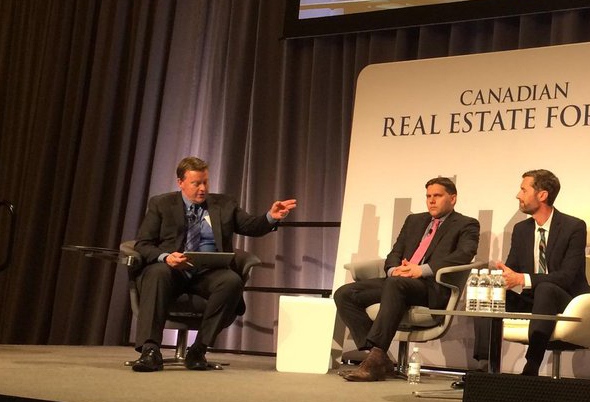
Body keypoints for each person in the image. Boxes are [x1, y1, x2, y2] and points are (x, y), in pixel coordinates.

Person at [131, 156, 297, 372]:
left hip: (208, 273)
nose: (202, 188)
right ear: (180, 182)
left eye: (205, 182)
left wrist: (271, 217)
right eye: (196, 183)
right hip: (172, 269)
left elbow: (251, 226)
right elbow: (143, 244)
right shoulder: (161, 204)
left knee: (231, 281)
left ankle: (198, 349)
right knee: (156, 274)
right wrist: (166, 257)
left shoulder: (224, 204)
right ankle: (150, 351)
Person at [334, 176, 480, 382]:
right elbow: (396, 251)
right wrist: (394, 270)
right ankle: (376, 356)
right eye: (428, 196)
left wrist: (421, 270)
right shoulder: (414, 220)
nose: (431, 201)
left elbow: (464, 254)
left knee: (396, 284)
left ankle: (375, 360)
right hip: (399, 281)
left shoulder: (466, 224)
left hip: (431, 286)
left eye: (437, 196)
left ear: (453, 198)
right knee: (345, 293)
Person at [488, 169, 590, 375]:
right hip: (532, 299)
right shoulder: (521, 229)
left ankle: (531, 366)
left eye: (523, 190)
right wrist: (503, 278)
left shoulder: (573, 227)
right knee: (490, 296)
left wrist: (523, 279)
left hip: (567, 300)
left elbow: (566, 277)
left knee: (545, 288)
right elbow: (513, 268)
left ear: (542, 195)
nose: (518, 195)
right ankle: (486, 366)